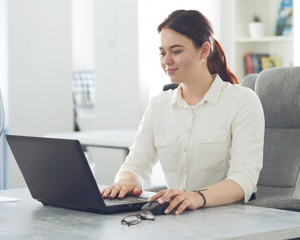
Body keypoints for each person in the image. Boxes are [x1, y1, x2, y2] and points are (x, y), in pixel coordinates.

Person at [101, 9, 264, 215]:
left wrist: (197, 196)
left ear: (204, 50)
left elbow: (243, 180)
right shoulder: (158, 106)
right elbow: (134, 165)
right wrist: (125, 182)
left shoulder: (242, 101)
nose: (166, 60)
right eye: (162, 52)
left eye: (176, 51)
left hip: (228, 221)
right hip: (176, 220)